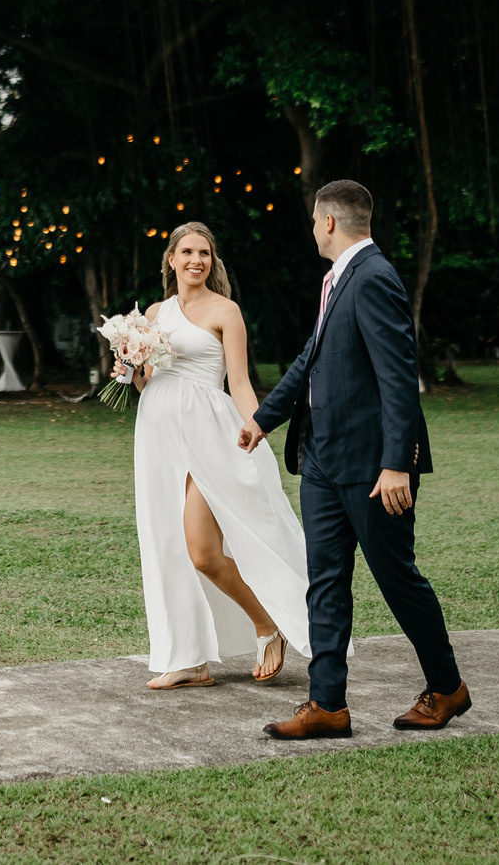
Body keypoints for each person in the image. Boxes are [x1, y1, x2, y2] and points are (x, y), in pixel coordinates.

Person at [237, 179, 470, 738]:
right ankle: (328, 705)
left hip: (371, 467)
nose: (312, 229)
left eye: (314, 221)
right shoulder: (335, 279)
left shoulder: (373, 278)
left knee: (397, 579)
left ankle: (447, 688)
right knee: (325, 581)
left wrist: (397, 463)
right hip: (320, 456)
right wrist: (262, 419)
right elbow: (311, 359)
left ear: (329, 223)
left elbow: (398, 379)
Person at [131, 222, 311, 689]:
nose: (196, 260)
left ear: (212, 262)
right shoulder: (154, 312)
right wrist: (130, 367)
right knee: (166, 545)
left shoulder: (225, 310)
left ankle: (267, 622)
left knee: (203, 552)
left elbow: (241, 382)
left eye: (205, 253)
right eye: (187, 252)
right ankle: (189, 660)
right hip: (157, 434)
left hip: (209, 434)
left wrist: (257, 426)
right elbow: (147, 381)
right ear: (171, 259)